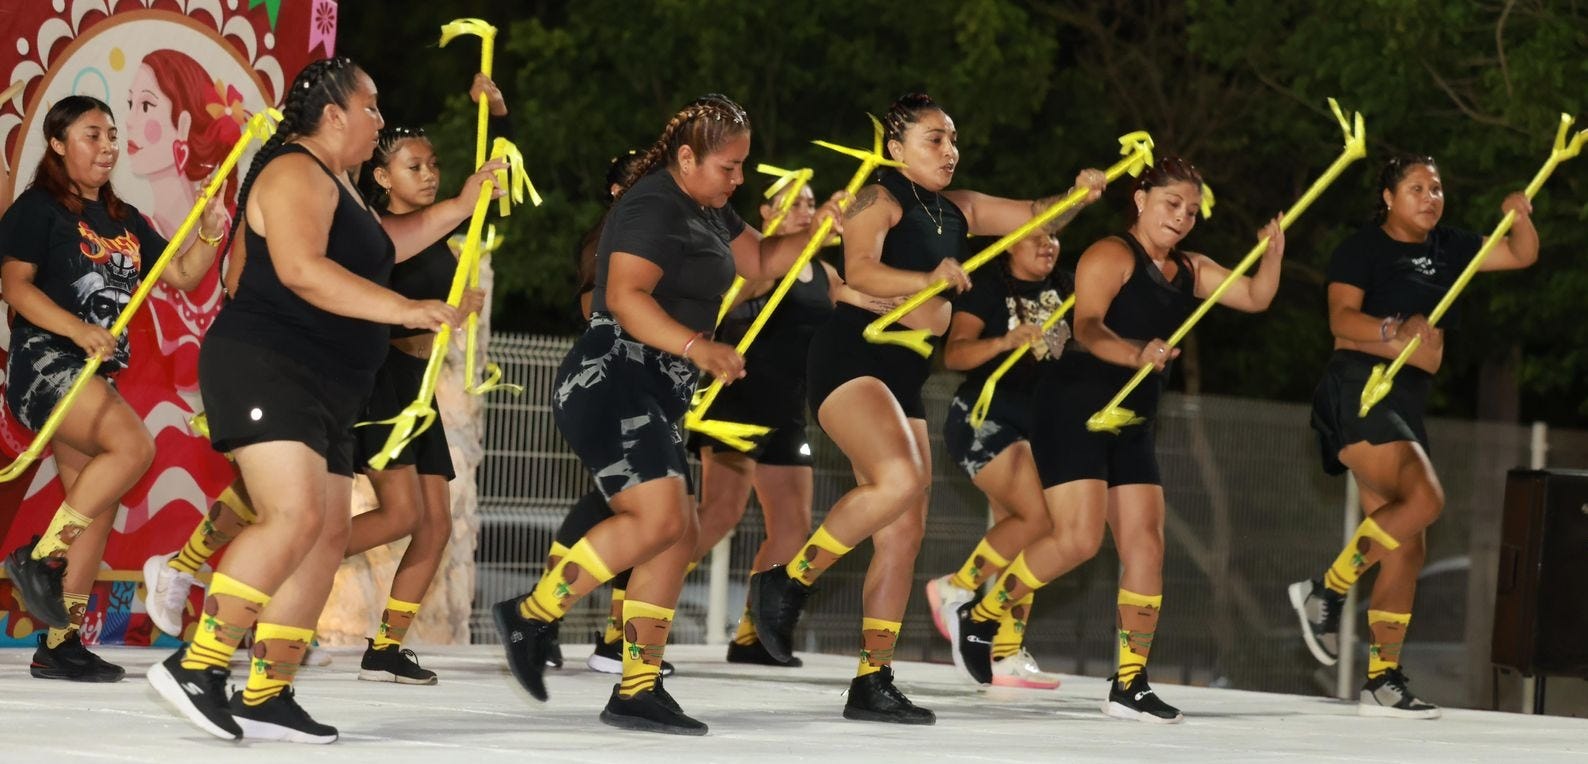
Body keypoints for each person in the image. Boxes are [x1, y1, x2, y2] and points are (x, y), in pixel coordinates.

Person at [145, 56, 493, 744]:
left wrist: (460, 205)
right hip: (270, 366)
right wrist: (408, 309)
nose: (380, 120)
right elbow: (302, 270)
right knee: (294, 515)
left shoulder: (343, 188)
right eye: (371, 107)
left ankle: (266, 692)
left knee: (326, 535)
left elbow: (386, 245)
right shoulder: (295, 171)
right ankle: (198, 665)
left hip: (329, 385)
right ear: (333, 115)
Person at [492, 93, 842, 735]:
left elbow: (762, 262)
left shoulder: (709, 209)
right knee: (660, 520)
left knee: (678, 531)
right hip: (613, 379)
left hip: (654, 392)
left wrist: (816, 229)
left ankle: (637, 686)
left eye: (742, 166)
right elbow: (624, 298)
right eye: (729, 167)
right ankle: (532, 614)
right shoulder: (652, 203)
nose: (738, 178)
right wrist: (698, 347)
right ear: (686, 158)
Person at [749, 92, 1104, 725]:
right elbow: (861, 269)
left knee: (904, 532)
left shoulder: (960, 207)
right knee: (900, 479)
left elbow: (1036, 214)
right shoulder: (876, 198)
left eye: (953, 139)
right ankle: (789, 579)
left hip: (906, 370)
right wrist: (928, 280)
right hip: (853, 355)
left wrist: (1078, 195)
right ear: (896, 148)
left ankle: (872, 679)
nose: (950, 150)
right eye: (934, 139)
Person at [948, 157, 1284, 724]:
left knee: (1146, 544)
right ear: (1141, 200)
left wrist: (1272, 252)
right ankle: (983, 611)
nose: (1181, 218)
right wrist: (1136, 353)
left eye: (1191, 211)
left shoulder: (1193, 268)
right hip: (1075, 406)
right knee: (1077, 541)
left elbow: (1254, 297)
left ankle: (1129, 682)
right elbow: (1087, 326)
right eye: (1171, 204)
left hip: (1132, 416)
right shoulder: (1110, 253)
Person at [1290, 154, 1538, 719]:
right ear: (1388, 197)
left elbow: (1520, 254)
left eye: (1437, 188)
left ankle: (1382, 680)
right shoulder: (1363, 248)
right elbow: (1340, 319)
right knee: (1425, 499)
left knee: (1406, 545)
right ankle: (1326, 590)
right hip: (1361, 387)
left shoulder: (1450, 247)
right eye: (1417, 188)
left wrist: (1520, 216)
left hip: (1405, 397)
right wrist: (1393, 327)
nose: (1431, 198)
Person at [0, 94, 226, 682]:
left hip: (92, 375)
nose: (107, 147)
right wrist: (78, 329)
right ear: (58, 143)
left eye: (111, 136)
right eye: (92, 135)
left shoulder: (124, 219)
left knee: (96, 504)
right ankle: (40, 557)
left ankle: (60, 643)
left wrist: (208, 235)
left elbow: (181, 275)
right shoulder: (37, 209)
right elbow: (15, 288)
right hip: (47, 364)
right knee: (135, 449)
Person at [923, 230, 1069, 689]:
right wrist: (1005, 342)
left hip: (1038, 425)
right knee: (1039, 520)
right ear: (1011, 243)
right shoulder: (987, 287)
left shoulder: (1067, 286)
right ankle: (956, 587)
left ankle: (1005, 650)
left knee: (1024, 540)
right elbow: (955, 353)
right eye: (1037, 235)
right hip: (983, 418)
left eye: (1055, 236)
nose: (1048, 244)